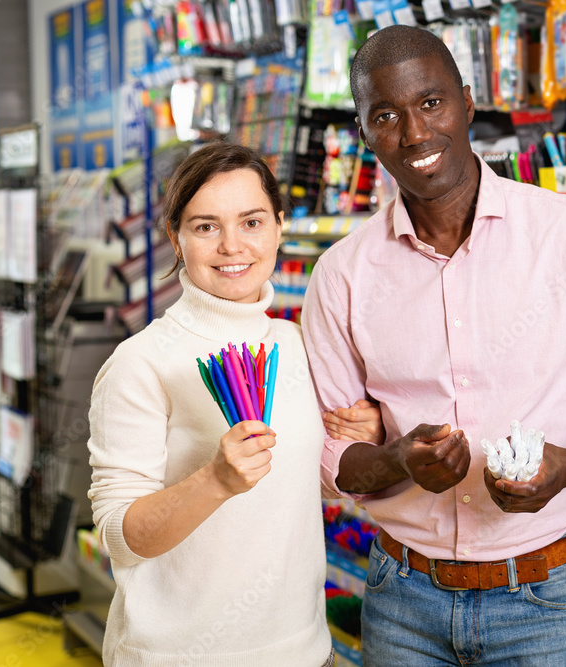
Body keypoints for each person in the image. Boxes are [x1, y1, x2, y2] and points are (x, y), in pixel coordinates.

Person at [302, 25, 566, 666]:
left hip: (546, 599)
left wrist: (565, 466)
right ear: (364, 133)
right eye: (386, 116)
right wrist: (397, 460)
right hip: (401, 601)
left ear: (468, 101)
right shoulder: (342, 275)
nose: (416, 134)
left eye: (431, 103)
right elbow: (328, 453)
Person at [87, 142, 382, 666]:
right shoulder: (141, 363)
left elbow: (294, 483)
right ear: (176, 237)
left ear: (278, 227)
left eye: (251, 222)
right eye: (205, 227)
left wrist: (363, 439)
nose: (231, 246)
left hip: (306, 651)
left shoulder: (293, 345)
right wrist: (215, 480)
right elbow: (120, 537)